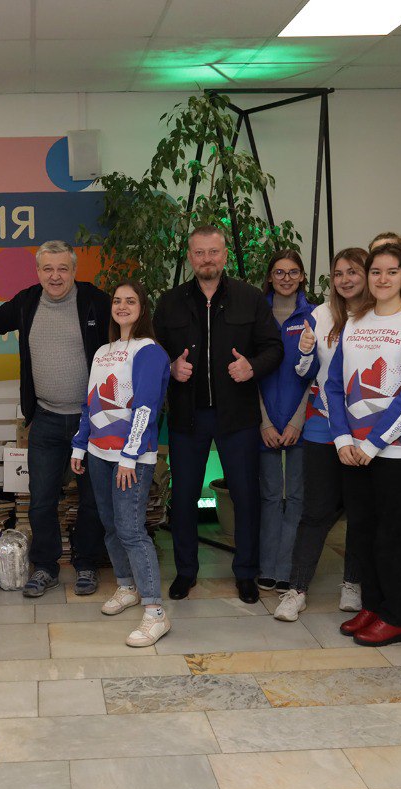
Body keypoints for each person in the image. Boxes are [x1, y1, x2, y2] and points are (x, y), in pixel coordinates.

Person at [0, 239, 108, 597]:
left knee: (92, 500)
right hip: (46, 419)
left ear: (74, 271)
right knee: (41, 500)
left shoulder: (96, 301)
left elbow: (130, 331)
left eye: (62, 268)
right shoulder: (28, 302)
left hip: (91, 422)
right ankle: (46, 567)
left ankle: (86, 564)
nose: (55, 276)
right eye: (48, 269)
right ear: (37, 271)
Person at [154, 226, 285, 604]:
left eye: (213, 252)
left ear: (224, 255)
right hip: (187, 417)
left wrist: (252, 367)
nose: (207, 259)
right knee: (183, 498)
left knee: (245, 496)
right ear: (189, 257)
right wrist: (170, 367)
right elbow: (152, 350)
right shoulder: (170, 302)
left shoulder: (250, 298)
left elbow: (274, 348)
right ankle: (186, 572)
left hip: (237, 416)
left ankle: (246, 573)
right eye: (199, 252)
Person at [327, 243, 401, 646]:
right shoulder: (354, 321)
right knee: (362, 533)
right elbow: (333, 386)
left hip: (397, 454)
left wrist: (373, 444)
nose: (383, 279)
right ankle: (372, 606)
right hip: (352, 451)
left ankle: (395, 617)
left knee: (394, 538)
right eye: (376, 272)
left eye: (392, 271)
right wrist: (342, 439)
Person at [71, 281, 171, 645]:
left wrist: (130, 455)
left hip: (132, 458)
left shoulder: (149, 351)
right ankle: (127, 586)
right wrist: (79, 446)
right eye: (117, 301)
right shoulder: (103, 351)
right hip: (99, 454)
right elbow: (91, 402)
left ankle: (156, 612)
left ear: (142, 308)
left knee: (131, 530)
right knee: (111, 525)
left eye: (131, 301)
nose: (122, 306)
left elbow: (145, 406)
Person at [279, 248, 368, 622]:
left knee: (359, 511)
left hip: (365, 428)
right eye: (338, 273)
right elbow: (304, 371)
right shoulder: (320, 314)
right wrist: (303, 352)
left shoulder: (380, 318)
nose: (345, 279)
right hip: (322, 425)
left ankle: (353, 582)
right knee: (315, 510)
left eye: (353, 272)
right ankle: (296, 590)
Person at [255, 250, 315, 595]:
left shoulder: (315, 317)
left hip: (300, 423)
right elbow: (249, 372)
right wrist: (263, 422)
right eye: (279, 272)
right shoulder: (256, 315)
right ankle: (267, 567)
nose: (286, 278)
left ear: (302, 276)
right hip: (264, 422)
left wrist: (298, 421)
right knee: (268, 496)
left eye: (293, 272)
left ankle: (287, 569)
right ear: (270, 277)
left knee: (295, 497)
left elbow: (317, 374)